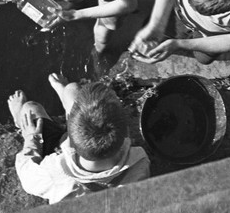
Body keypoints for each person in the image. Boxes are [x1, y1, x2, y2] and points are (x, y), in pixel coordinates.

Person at [8, 74, 150, 204]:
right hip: (83, 145)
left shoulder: (54, 172)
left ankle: (20, 121)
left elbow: (27, 180)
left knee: (30, 108)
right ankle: (67, 94)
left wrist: (30, 138)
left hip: (59, 151)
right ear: (126, 134)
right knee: (72, 89)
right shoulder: (139, 161)